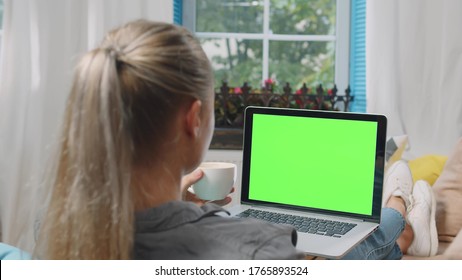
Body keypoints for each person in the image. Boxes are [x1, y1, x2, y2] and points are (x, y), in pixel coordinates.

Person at [34, 19, 443, 260]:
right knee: (375, 231)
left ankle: (403, 223)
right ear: (194, 119)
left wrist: (171, 205)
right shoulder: (258, 246)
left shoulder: (58, 233)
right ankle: (402, 210)